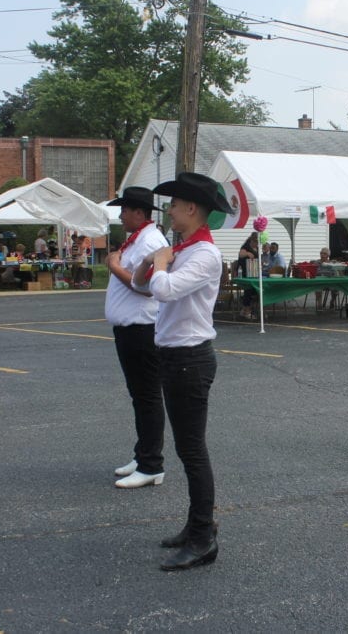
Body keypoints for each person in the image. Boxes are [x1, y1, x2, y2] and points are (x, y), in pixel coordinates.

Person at [133, 172, 234, 572]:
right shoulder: (183, 249)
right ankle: (196, 525)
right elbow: (143, 284)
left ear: (191, 208)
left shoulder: (205, 254)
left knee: (192, 451)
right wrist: (151, 262)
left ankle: (203, 536)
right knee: (187, 449)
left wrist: (160, 264)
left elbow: (165, 290)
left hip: (190, 359)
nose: (169, 212)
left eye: (174, 205)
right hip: (176, 356)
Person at [104, 186, 169, 489]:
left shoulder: (151, 242)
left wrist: (114, 266)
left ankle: (151, 464)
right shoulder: (138, 239)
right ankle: (143, 454)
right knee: (140, 396)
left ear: (139, 213)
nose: (121, 215)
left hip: (142, 329)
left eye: (125, 210)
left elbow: (146, 288)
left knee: (147, 396)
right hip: (130, 329)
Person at [237, 232, 259, 319]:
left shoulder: (257, 248)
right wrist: (247, 254)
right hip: (245, 273)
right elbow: (240, 254)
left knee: (255, 289)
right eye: (256, 242)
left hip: (254, 273)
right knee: (249, 289)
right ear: (252, 240)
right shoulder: (245, 247)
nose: (257, 244)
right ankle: (247, 311)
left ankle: (245, 309)